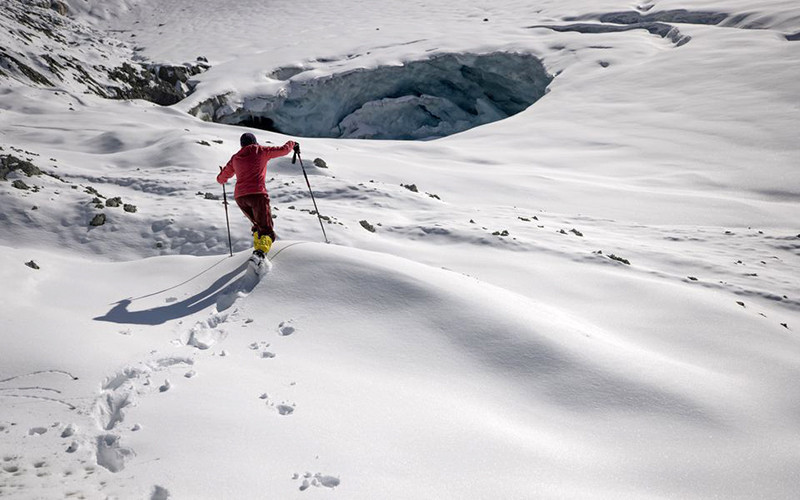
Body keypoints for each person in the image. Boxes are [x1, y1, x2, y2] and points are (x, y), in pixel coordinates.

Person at [217, 132, 298, 257]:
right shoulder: (261, 150)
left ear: (241, 145)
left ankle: (258, 250)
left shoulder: (235, 158)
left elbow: (222, 178)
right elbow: (283, 150)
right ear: (254, 141)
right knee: (267, 230)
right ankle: (260, 255)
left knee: (257, 225)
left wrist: (221, 176)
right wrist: (292, 143)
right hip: (257, 194)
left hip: (240, 197)